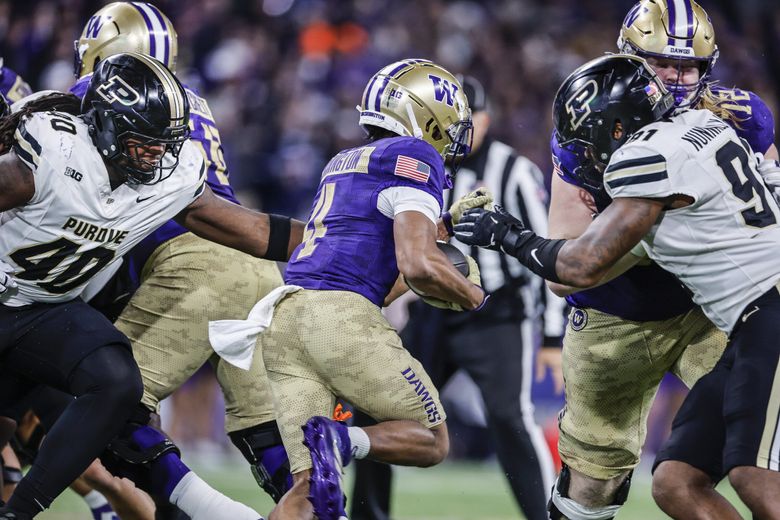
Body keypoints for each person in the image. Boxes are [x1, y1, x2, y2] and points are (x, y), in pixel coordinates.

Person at [454, 53, 780, 520]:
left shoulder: (650, 155)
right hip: (742, 324)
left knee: (756, 476)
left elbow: (582, 265)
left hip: (764, 312)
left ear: (622, 126)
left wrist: (506, 233)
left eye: (591, 138)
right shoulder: (710, 124)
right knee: (675, 482)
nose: (584, 153)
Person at [0, 52, 303, 520]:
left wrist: (336, 242)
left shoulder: (170, 178)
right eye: (144, 142)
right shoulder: (55, 153)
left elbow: (256, 231)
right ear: (103, 124)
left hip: (43, 309)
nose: (158, 155)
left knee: (117, 380)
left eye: (165, 144)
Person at [210, 58, 486, 520]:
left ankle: (331, 445)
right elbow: (417, 265)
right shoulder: (417, 157)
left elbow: (374, 268)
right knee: (432, 439)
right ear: (421, 113)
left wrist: (444, 226)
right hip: (337, 320)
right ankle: (341, 438)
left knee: (307, 492)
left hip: (285, 316)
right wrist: (473, 295)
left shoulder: (342, 162)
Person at [536, 1, 773, 517]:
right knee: (593, 480)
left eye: (687, 66)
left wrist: (644, 230)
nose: (674, 76)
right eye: (660, 62)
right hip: (611, 314)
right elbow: (569, 255)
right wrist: (654, 230)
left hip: (710, 308)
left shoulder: (740, 117)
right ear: (626, 57)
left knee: (761, 453)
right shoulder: (592, 119)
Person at [71, 2, 294, 506]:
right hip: (255, 268)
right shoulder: (191, 103)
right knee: (266, 431)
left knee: (101, 406)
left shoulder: (107, 97)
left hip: (190, 265)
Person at [349, 75, 562, 520]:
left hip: (498, 314)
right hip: (433, 309)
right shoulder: (417, 163)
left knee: (509, 417)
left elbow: (546, 247)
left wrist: (552, 335)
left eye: (472, 118)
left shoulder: (512, 168)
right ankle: (370, 515)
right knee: (378, 406)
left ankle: (546, 517)